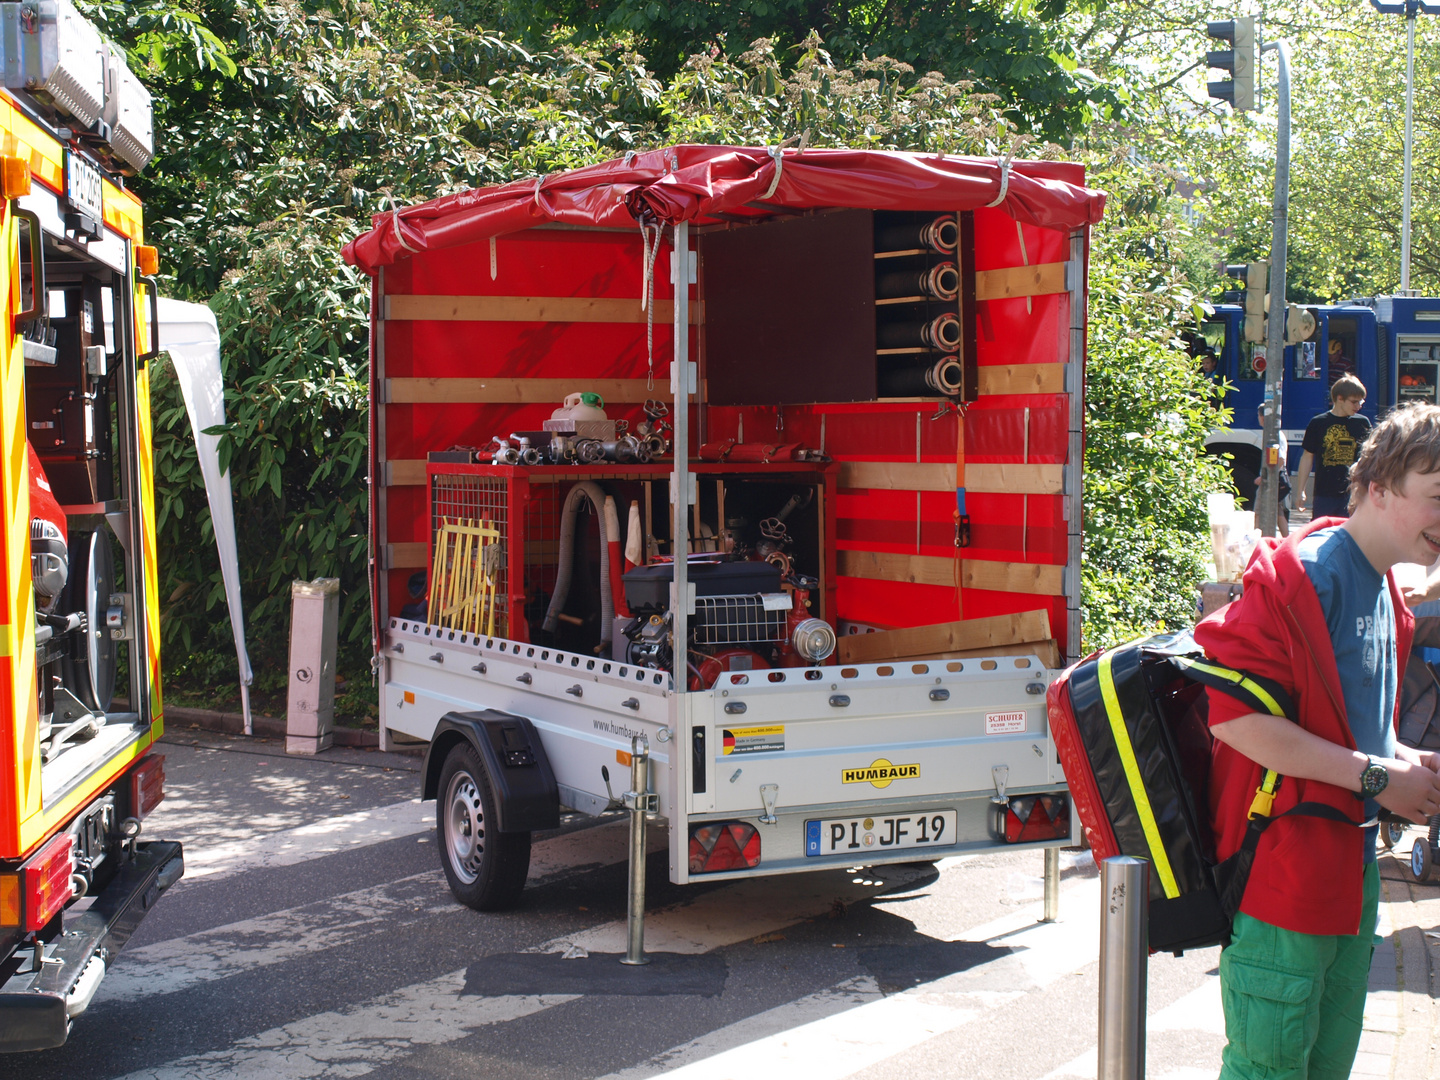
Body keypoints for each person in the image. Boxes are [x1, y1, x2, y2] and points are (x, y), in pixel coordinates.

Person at [1194, 401, 1440, 1080]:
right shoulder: (1307, 573)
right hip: (1285, 871)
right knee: (1269, 1069)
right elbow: (1233, 719)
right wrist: (1381, 778)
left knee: (1325, 1066)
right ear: (1381, 487)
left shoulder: (1385, 587)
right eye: (1437, 498)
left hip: (1346, 873)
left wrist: (1404, 761)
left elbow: (1356, 729)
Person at [1295, 374, 1370, 519]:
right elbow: (1307, 457)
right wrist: (1300, 491)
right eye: (1354, 402)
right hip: (1324, 494)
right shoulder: (1318, 423)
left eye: (1361, 402)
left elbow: (1368, 458)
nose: (1358, 406)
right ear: (1340, 398)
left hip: (1352, 494)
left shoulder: (1363, 423)